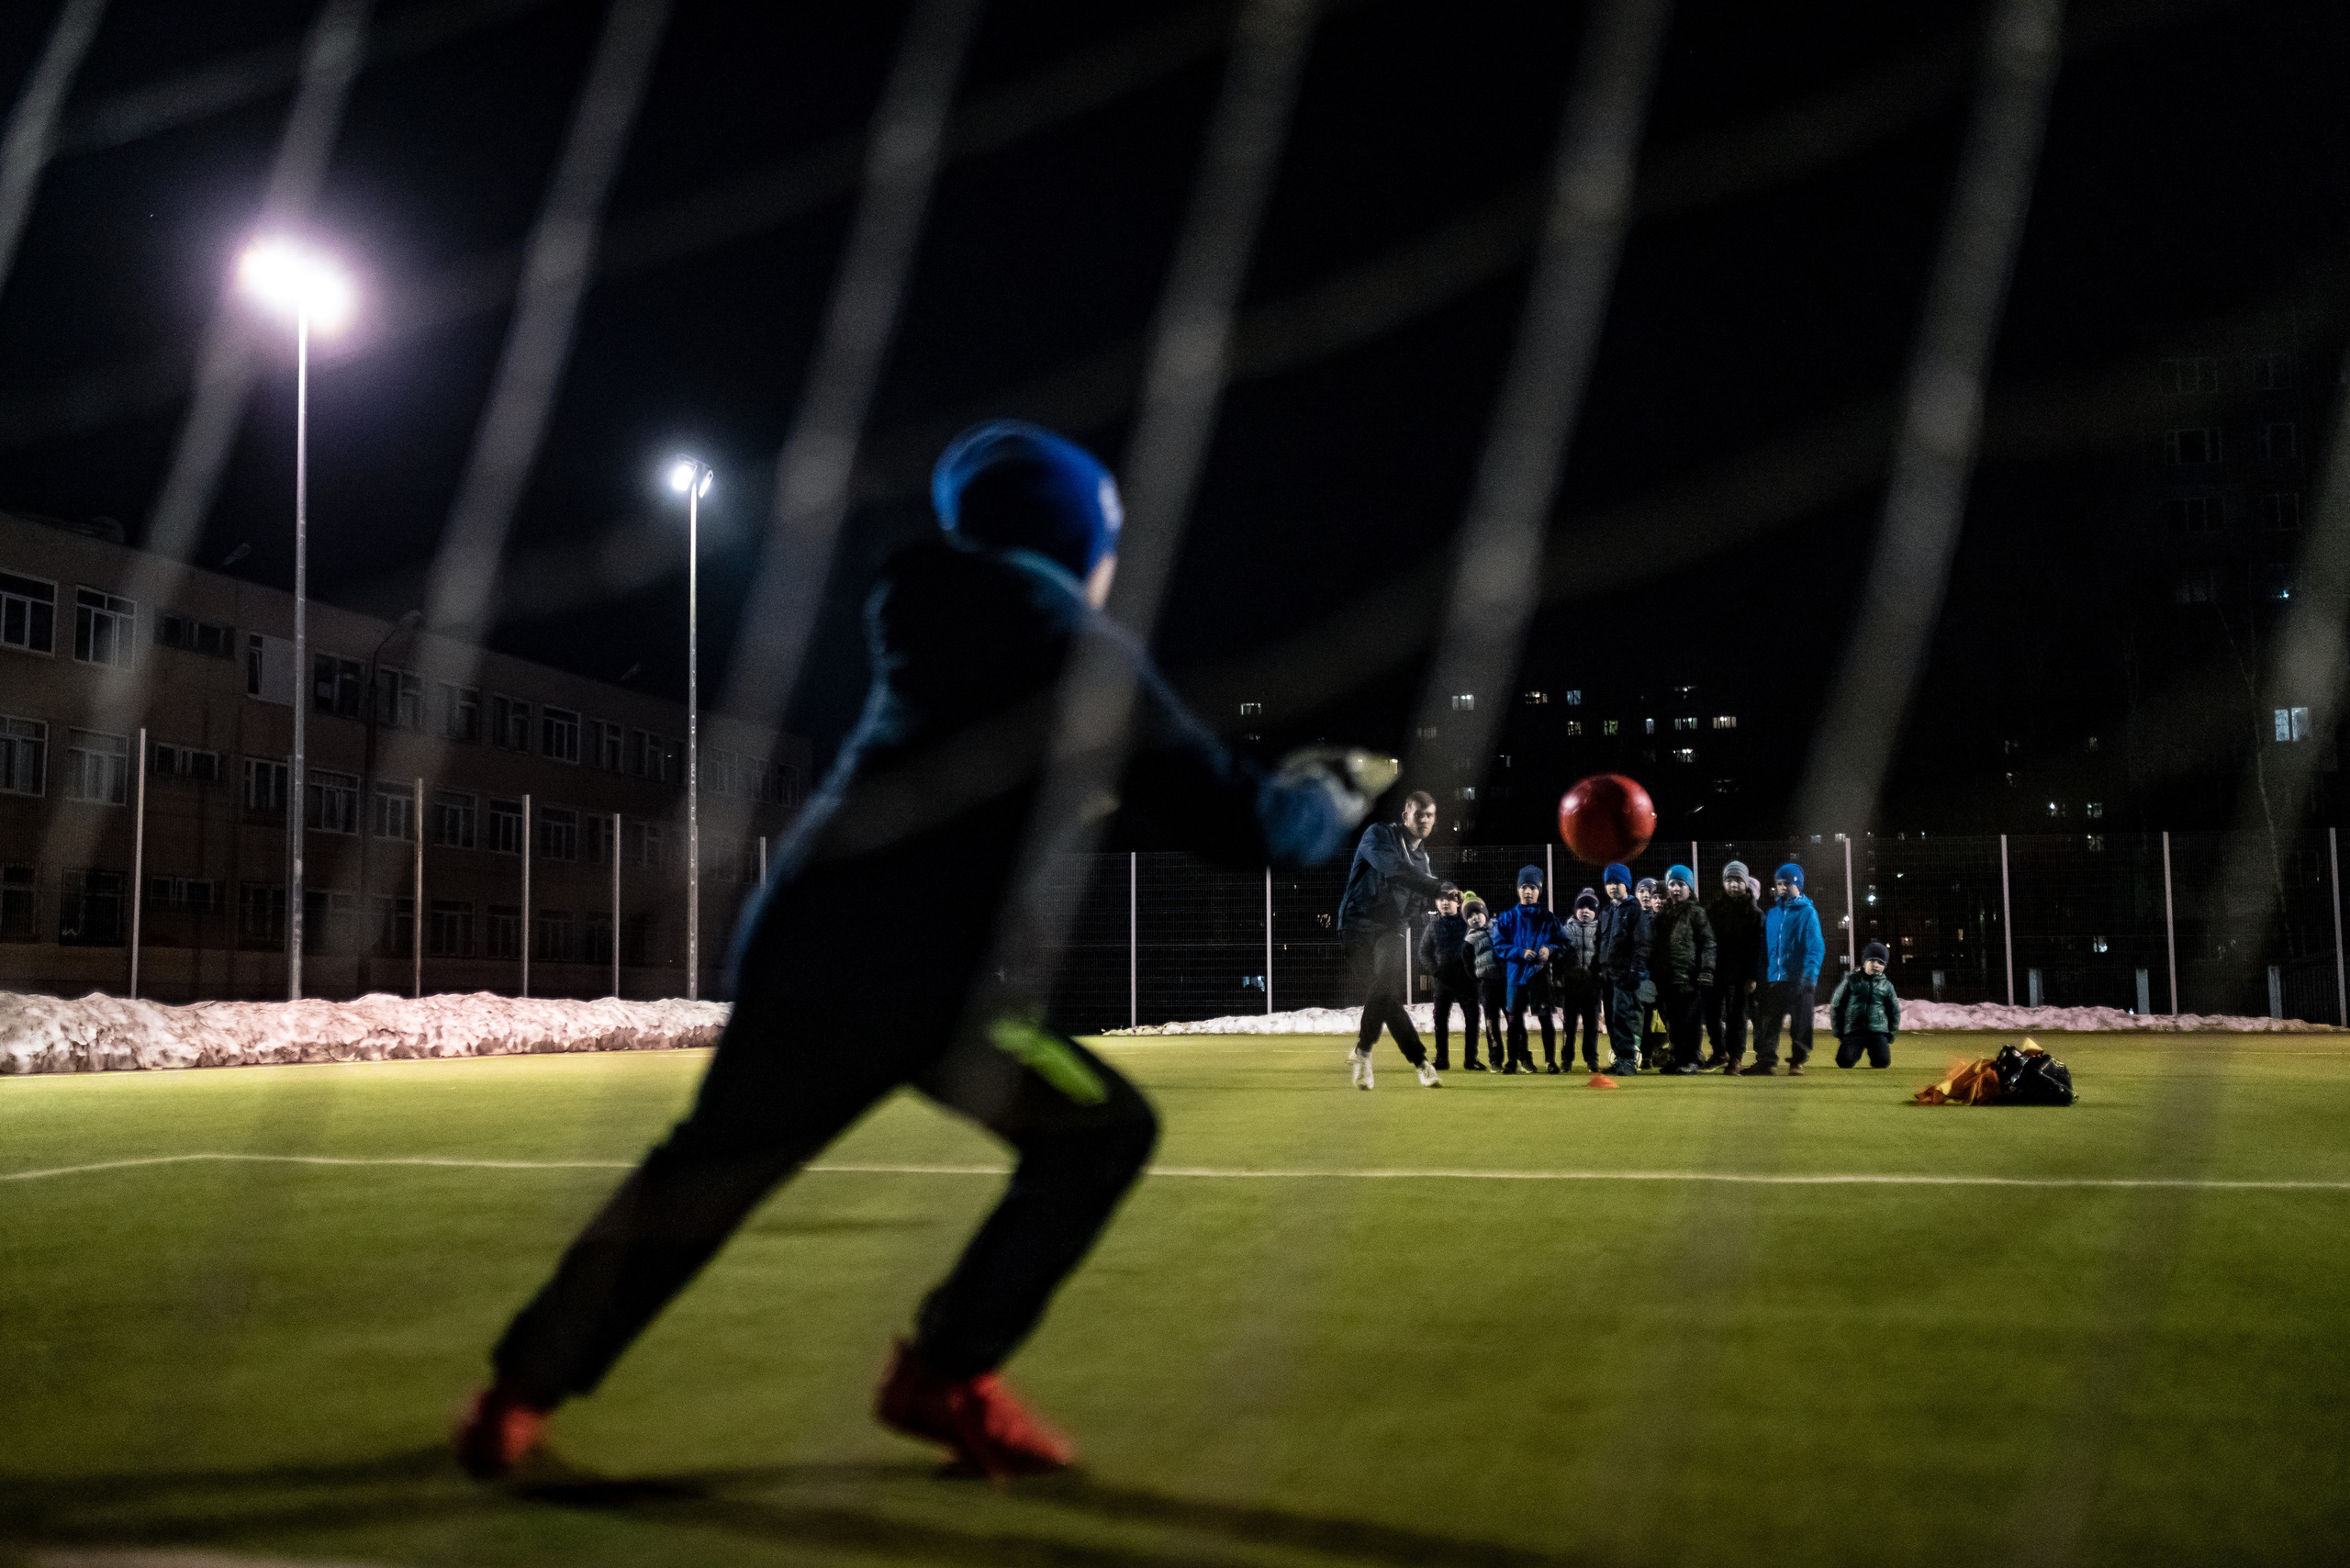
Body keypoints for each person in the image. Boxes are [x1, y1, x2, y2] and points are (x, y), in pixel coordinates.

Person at [453, 420, 1373, 1482]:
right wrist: (1328, 793)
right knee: (1100, 1133)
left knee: (704, 1176)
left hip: (811, 944)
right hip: (933, 988)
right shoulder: (1072, 643)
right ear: (1075, 537)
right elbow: (1246, 827)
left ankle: (515, 1394)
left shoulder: (936, 618)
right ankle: (944, 1370)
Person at [1337, 792, 1447, 1089]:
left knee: (1385, 984)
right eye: (1419, 813)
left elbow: (1416, 903)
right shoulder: (1379, 835)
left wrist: (1428, 906)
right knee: (1385, 999)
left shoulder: (1423, 861)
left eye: (1430, 815)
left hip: (1391, 929)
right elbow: (1394, 868)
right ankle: (1420, 1062)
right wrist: (1436, 887)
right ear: (1405, 816)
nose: (1424, 820)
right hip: (1356, 924)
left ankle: (1365, 1053)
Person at [1743, 862, 1826, 1077]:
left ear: (1798, 885)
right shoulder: (1772, 914)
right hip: (1775, 979)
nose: (1782, 887)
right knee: (1768, 1022)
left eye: (1787, 883)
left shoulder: (1808, 913)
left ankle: (1797, 1061)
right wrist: (1761, 975)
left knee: (1801, 1023)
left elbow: (1815, 947)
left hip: (1800, 979)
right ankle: (1766, 1061)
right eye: (1779, 883)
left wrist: (1810, 975)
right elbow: (1765, 948)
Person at [1493, 865, 1566, 1072]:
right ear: (1518, 890)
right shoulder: (1507, 918)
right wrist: (1519, 952)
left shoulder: (1548, 919)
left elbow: (1563, 943)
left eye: (1532, 888)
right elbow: (1499, 945)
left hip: (1540, 976)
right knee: (1514, 1020)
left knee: (1545, 1018)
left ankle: (1550, 1062)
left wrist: (1549, 950)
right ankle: (1512, 1061)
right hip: (1515, 976)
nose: (1528, 891)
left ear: (1539, 891)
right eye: (1524, 887)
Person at [1650, 866, 1716, 1074]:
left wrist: (1707, 969)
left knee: (1690, 1021)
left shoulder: (1696, 913)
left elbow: (1708, 943)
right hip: (1668, 978)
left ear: (1690, 887)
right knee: (1674, 1022)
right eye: (1672, 884)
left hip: (1690, 977)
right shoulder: (1664, 915)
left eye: (1681, 884)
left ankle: (1692, 1060)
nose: (1676, 888)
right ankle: (1678, 1059)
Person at [1702, 861, 1767, 1071]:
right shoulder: (1713, 910)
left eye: (1738, 880)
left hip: (1741, 973)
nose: (1733, 884)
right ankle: (1720, 1052)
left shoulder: (1754, 914)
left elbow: (1757, 948)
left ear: (1746, 883)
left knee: (1736, 1016)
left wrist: (1753, 976)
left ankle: (1735, 1057)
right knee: (1711, 1014)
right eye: (1729, 880)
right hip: (1716, 970)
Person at [1594, 862, 1648, 1075]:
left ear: (1627, 884)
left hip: (1625, 976)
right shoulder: (1606, 912)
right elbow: (1599, 942)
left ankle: (1628, 1060)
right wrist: (1596, 968)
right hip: (1607, 976)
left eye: (1617, 882)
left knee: (1622, 1017)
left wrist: (1635, 972)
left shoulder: (1635, 911)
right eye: (1609, 883)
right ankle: (1619, 1058)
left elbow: (1642, 944)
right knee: (1611, 1018)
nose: (1613, 886)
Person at [1418, 884, 1478, 1072]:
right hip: (1443, 980)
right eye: (1441, 899)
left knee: (1472, 1019)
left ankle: (1471, 1060)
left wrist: (1474, 970)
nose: (1445, 903)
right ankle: (1442, 1059)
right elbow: (1423, 952)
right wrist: (1435, 971)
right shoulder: (1433, 926)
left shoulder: (1467, 923)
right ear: (1436, 903)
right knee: (1440, 1020)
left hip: (1466, 979)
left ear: (1458, 903)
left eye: (1450, 899)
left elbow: (1478, 946)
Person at [1830, 942, 1902, 1068]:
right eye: (1872, 960)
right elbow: (1837, 1005)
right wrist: (1840, 1033)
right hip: (1854, 1030)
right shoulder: (1851, 980)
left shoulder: (1887, 986)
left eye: (1880, 962)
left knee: (1882, 1063)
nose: (1876, 964)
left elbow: (1894, 1012)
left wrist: (1890, 1034)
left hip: (1877, 1031)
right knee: (1844, 1062)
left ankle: (1877, 1050)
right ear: (1865, 962)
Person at [1556, 890, 1604, 1072]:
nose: (1585, 911)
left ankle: (1591, 1059)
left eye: (1590, 908)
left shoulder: (1601, 930)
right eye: (1581, 907)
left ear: (1595, 912)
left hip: (1592, 985)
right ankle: (1566, 1059)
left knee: (1591, 1025)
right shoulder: (1566, 930)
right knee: (1569, 1025)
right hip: (1572, 984)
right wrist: (1558, 981)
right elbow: (1558, 958)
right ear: (1575, 910)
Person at [1464, 897, 1504, 1070]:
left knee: (1513, 1019)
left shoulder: (1500, 928)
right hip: (1487, 985)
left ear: (1485, 913)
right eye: (1469, 916)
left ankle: (1519, 1057)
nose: (1474, 918)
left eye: (1477, 913)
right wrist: (1481, 979)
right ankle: (1495, 1059)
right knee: (1491, 1022)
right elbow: (1468, 967)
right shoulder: (1469, 941)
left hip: (1506, 982)